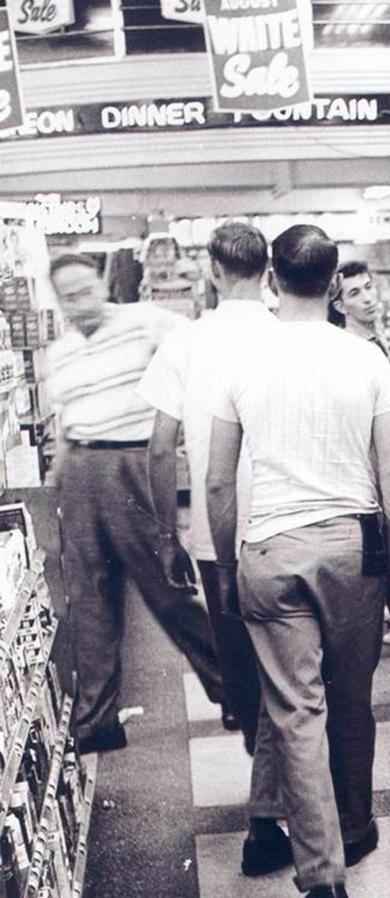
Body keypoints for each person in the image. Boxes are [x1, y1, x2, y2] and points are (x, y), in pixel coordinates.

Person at [206, 225, 390, 898]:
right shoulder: (364, 360)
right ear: (334, 282)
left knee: (296, 708)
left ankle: (321, 875)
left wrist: (229, 561)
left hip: (269, 548)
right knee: (352, 700)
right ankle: (354, 826)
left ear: (272, 275)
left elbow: (215, 480)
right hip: (353, 546)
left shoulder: (242, 358)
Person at [46, 253, 224, 755]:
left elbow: (199, 344)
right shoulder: (58, 353)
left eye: (86, 290)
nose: (81, 302)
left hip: (131, 463)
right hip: (79, 469)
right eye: (69, 296)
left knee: (166, 590)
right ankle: (97, 722)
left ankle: (231, 687)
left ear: (101, 286)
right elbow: (67, 419)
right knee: (89, 598)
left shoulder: (145, 321)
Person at [137, 222, 270, 756]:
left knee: (241, 672)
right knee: (296, 673)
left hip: (218, 540)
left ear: (214, 272)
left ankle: (266, 800)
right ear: (266, 272)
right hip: (287, 532)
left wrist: (168, 537)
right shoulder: (288, 335)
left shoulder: (186, 342)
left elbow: (160, 447)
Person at [330, 260, 390, 358]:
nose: (367, 298)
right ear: (341, 307)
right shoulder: (350, 346)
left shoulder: (374, 334)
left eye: (369, 287)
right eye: (354, 293)